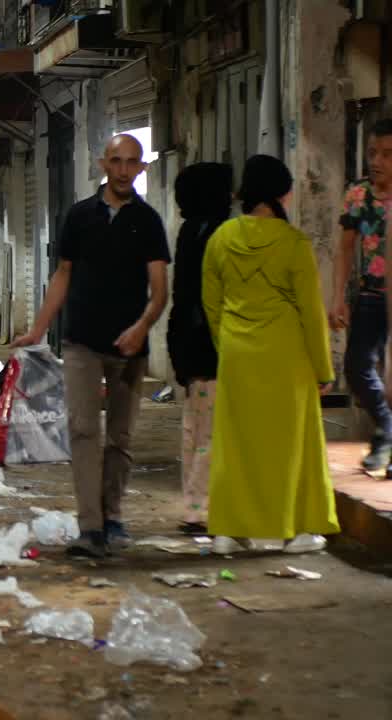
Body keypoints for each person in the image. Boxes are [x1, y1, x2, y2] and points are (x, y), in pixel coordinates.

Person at [13, 134, 170, 559]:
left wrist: (142, 327)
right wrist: (38, 328)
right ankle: (91, 528)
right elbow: (62, 274)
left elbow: (159, 290)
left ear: (141, 168)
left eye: (131, 163)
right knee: (83, 431)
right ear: (103, 164)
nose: (122, 169)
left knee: (119, 438)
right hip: (81, 341)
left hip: (128, 348)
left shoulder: (149, 221)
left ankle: (113, 514)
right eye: (116, 161)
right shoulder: (80, 216)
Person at [202, 154, 339, 554]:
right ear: (282, 193)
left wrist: (227, 344)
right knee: (293, 444)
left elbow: (212, 305)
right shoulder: (293, 243)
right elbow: (311, 313)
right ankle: (294, 533)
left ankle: (228, 531)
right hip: (287, 357)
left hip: (237, 353)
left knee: (235, 445)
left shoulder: (221, 239)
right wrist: (323, 367)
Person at [166, 162, 234, 536]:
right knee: (208, 431)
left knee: (194, 426)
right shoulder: (220, 232)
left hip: (188, 343)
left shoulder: (189, 230)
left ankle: (194, 503)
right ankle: (199, 510)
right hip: (210, 343)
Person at [331, 119, 392, 475]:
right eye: (372, 153)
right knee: (356, 368)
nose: (377, 160)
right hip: (370, 296)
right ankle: (387, 430)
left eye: (387, 154)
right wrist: (337, 297)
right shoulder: (358, 195)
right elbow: (344, 250)